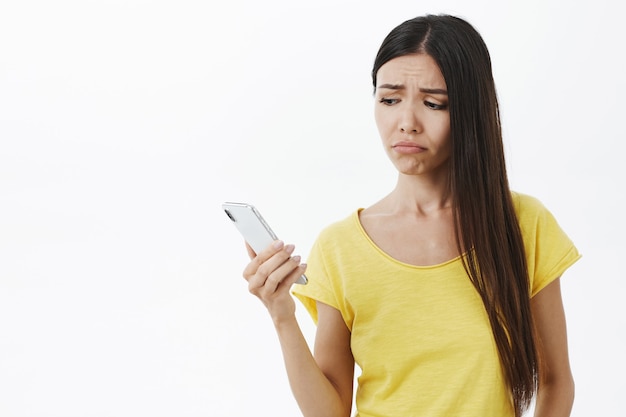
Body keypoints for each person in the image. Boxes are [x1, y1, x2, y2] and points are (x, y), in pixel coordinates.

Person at [241, 14, 580, 417]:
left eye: (434, 103)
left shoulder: (523, 225)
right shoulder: (341, 248)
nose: (406, 123)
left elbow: (556, 381)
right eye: (389, 99)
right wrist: (282, 316)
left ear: (471, 111)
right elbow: (330, 411)